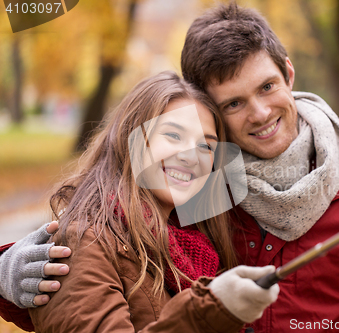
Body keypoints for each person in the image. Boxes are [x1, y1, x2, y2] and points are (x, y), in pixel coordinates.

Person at [0, 3, 339, 332]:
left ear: (288, 74)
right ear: (209, 109)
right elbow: (102, 263)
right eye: (233, 103)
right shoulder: (206, 187)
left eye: (267, 86)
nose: (259, 113)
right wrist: (8, 272)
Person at [0, 71, 279, 332]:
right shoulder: (85, 242)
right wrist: (211, 311)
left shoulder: (199, 246)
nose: (191, 156)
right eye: (172, 135)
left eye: (206, 146)